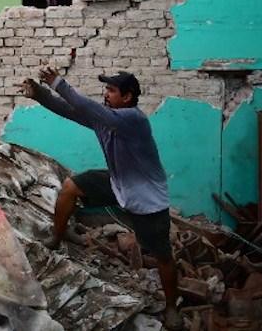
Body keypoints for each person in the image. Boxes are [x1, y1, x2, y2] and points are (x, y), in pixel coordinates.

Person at [21, 68, 181, 329]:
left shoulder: (133, 119)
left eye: (111, 90)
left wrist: (57, 83)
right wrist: (39, 94)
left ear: (128, 97)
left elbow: (83, 104)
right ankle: (58, 236)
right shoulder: (106, 120)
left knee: (163, 256)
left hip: (147, 197)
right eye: (105, 90)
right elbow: (69, 110)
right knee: (70, 187)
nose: (106, 94)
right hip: (118, 181)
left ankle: (173, 306)